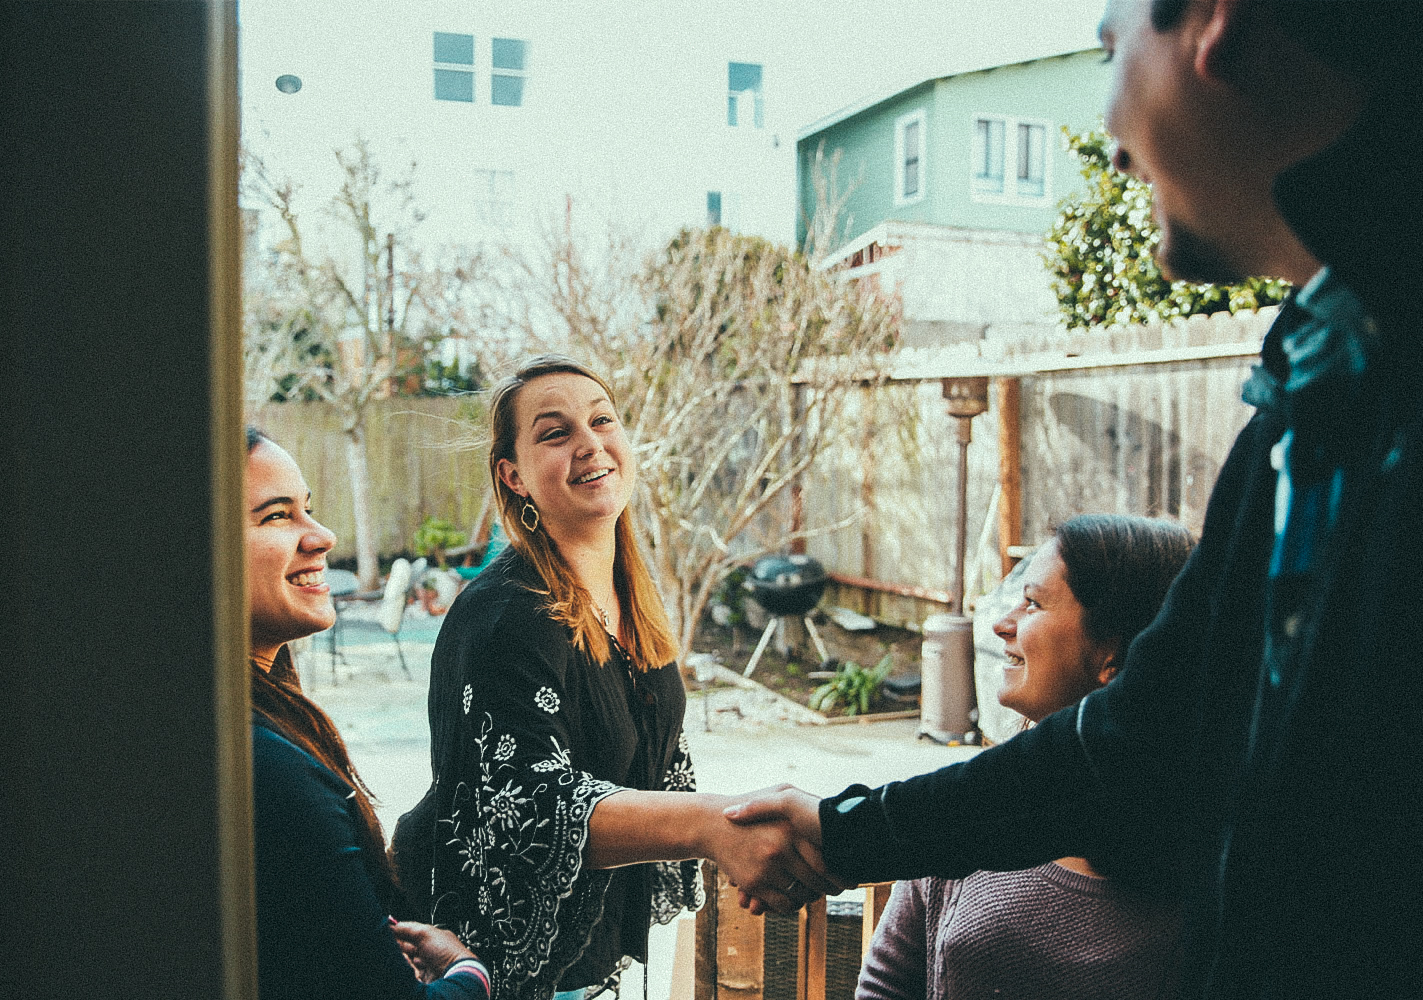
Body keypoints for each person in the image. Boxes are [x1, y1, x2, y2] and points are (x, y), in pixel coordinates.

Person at [726, 2, 1423, 997]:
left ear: (1215, 23)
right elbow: (1140, 741)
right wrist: (843, 832)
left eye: (1109, 48)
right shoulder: (1319, 385)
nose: (1110, 137)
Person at [392, 355, 837, 1000]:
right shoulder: (506, 614)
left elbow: (648, 764)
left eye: (603, 420)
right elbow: (535, 806)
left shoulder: (629, 596)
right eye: (555, 432)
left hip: (593, 964)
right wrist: (715, 826)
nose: (590, 444)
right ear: (512, 476)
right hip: (489, 971)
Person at [856, 515, 1192, 1000]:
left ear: (1116, 655)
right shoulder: (965, 810)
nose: (1001, 624)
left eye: (1032, 604)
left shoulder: (1210, 870)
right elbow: (885, 986)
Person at [245, 426, 493, 999]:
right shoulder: (268, 769)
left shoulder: (263, 731)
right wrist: (468, 972)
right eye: (277, 516)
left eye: (308, 508)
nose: (323, 535)